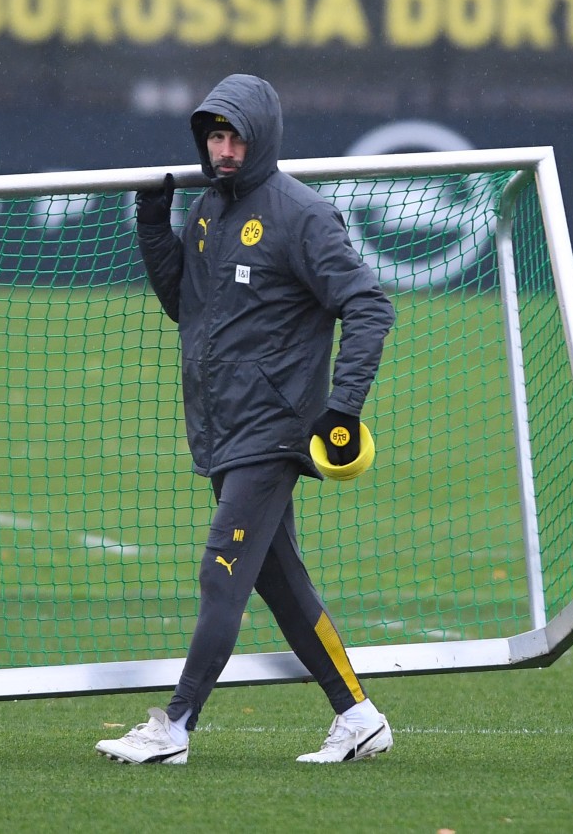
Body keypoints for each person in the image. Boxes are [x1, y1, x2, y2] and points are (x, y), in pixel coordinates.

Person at [95, 74, 396, 765]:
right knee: (281, 582)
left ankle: (173, 725)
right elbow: (185, 306)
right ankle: (359, 716)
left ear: (261, 139)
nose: (223, 150)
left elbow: (370, 306)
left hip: (276, 429)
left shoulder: (303, 215)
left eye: (234, 137)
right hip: (223, 430)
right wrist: (152, 223)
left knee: (220, 571)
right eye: (214, 137)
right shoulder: (206, 210)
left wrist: (342, 409)